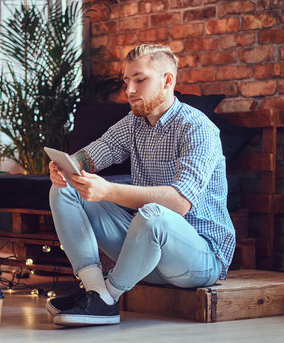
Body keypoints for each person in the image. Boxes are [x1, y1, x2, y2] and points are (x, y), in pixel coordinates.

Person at [46, 44, 235, 327]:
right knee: (65, 188)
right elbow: (96, 152)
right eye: (127, 81)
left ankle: (107, 298)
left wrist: (108, 191)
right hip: (145, 256)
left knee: (154, 215)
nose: (130, 90)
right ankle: (96, 292)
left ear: (168, 80)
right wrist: (67, 165)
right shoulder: (134, 123)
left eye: (140, 79)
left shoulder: (198, 128)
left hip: (199, 260)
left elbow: (179, 203)